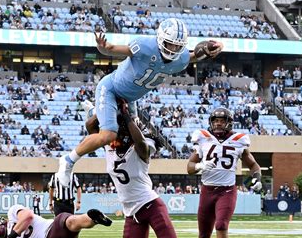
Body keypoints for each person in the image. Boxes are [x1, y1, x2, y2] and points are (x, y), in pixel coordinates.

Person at [56, 18, 224, 186]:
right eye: (169, 44)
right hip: (111, 89)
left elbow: (192, 56)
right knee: (109, 135)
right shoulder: (145, 46)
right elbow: (112, 49)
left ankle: (95, 113)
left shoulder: (180, 59)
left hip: (130, 99)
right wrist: (102, 47)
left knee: (129, 138)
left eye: (177, 46)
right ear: (159, 38)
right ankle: (68, 160)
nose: (173, 49)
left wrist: (210, 50)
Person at [104, 105, 229, 238]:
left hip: (150, 204)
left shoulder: (141, 150)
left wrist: (128, 116)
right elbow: (91, 126)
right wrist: (105, 107)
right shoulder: (110, 147)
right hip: (132, 212)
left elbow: (140, 143)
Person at [186, 108, 261, 238]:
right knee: (204, 235)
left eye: (221, 120)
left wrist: (257, 179)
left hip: (227, 190)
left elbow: (253, 165)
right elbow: (189, 166)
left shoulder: (238, 140)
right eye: (215, 120)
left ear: (228, 122)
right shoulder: (203, 138)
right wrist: (201, 166)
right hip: (207, 190)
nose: (218, 123)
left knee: (221, 225)